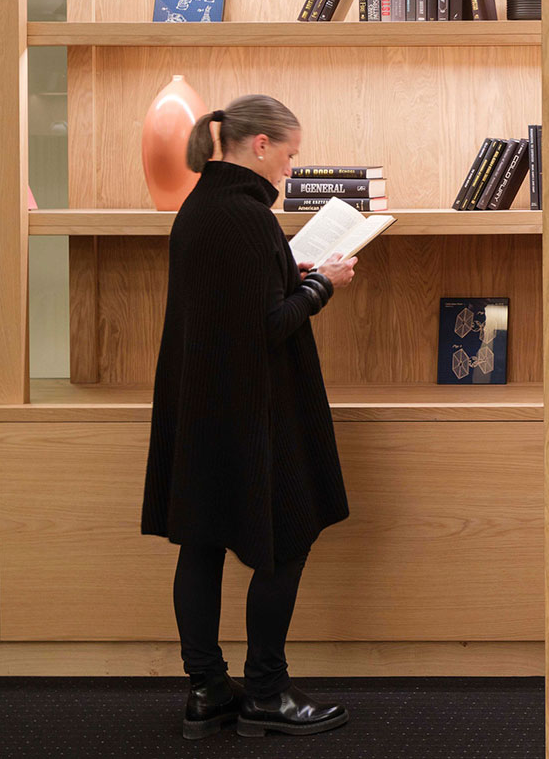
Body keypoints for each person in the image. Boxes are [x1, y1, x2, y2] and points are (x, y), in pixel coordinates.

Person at [141, 94, 357, 739]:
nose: (291, 171)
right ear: (260, 145)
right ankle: (266, 691)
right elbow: (266, 325)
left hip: (202, 407)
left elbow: (233, 299)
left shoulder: (202, 207)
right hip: (252, 411)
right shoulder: (246, 216)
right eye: (290, 157)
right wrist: (323, 285)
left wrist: (290, 269)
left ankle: (207, 690)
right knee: (285, 539)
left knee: (202, 542)